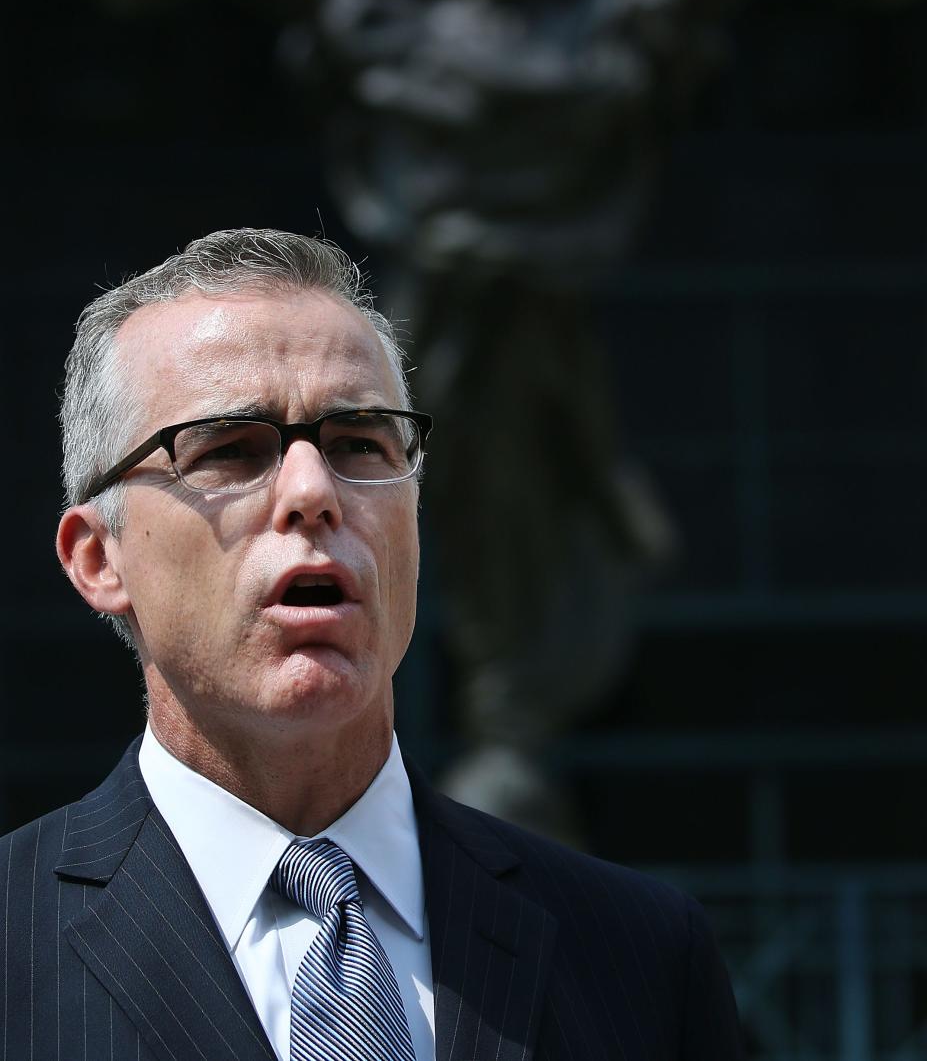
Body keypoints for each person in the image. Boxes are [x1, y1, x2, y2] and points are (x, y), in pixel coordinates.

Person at [105, 0, 891, 836]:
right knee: (362, 499)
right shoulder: (400, 33)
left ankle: (507, 723)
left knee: (537, 529)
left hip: (543, 345)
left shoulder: (604, 24)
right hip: (441, 339)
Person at [0, 227, 743, 1059]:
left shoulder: (641, 954)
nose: (314, 491)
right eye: (230, 450)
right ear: (99, 558)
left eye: (361, 443)